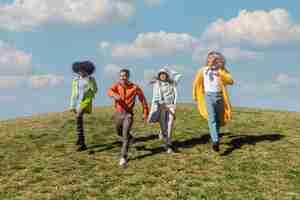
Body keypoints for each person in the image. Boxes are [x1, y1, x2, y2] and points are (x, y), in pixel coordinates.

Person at [192, 52, 234, 152]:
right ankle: (215, 141)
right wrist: (194, 95)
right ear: (207, 60)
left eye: (215, 59)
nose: (212, 60)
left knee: (219, 119)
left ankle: (216, 137)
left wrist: (220, 72)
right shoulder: (203, 70)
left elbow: (231, 81)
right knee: (212, 119)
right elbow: (196, 83)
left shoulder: (221, 70)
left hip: (219, 96)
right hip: (208, 96)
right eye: (210, 58)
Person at [107, 69, 149, 167]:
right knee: (119, 132)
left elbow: (143, 100)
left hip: (128, 115)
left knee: (125, 136)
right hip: (118, 114)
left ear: (128, 76)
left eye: (125, 75)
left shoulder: (135, 87)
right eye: (121, 76)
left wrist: (145, 112)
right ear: (119, 77)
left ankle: (123, 157)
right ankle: (131, 138)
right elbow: (109, 91)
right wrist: (114, 95)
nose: (123, 77)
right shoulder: (117, 85)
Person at [148, 67, 182, 153]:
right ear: (159, 76)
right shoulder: (157, 84)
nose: (163, 76)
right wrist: (161, 103)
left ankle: (168, 144)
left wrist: (168, 69)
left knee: (170, 124)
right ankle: (165, 138)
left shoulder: (172, 83)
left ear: (167, 75)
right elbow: (156, 96)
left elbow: (179, 75)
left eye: (164, 74)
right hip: (161, 106)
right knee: (164, 126)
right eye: (161, 74)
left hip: (171, 105)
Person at [70, 61, 98, 151]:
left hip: (86, 100)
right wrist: (72, 105)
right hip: (78, 101)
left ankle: (81, 141)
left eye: (83, 70)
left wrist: (90, 84)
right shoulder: (75, 80)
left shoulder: (91, 79)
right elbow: (73, 93)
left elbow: (95, 90)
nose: (81, 72)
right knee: (78, 119)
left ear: (87, 70)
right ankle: (80, 139)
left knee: (78, 116)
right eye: (79, 70)